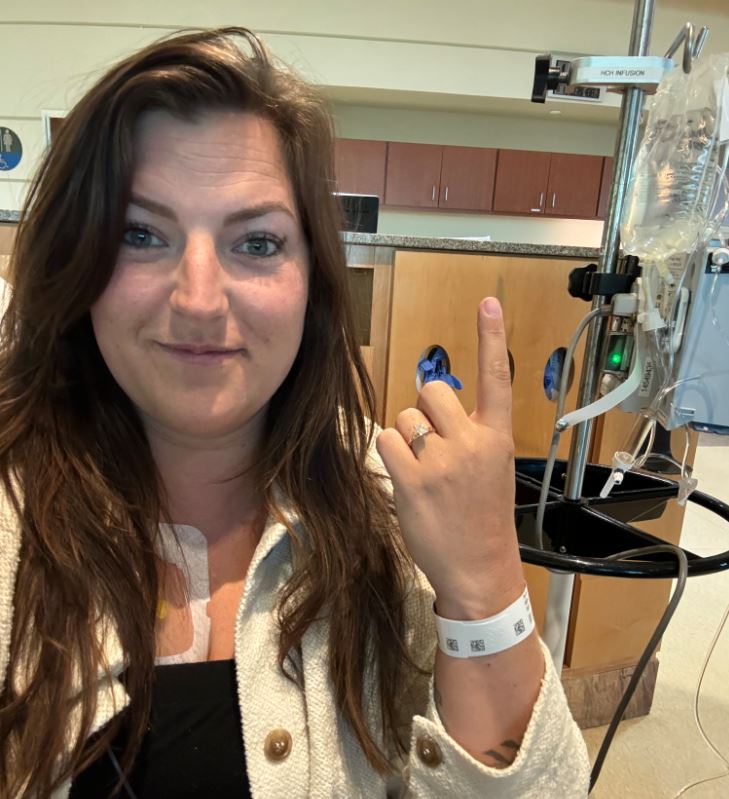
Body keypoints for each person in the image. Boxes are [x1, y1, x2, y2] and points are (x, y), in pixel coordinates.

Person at [0, 27, 590, 798]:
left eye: (256, 242)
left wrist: (485, 583)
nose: (200, 300)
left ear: (313, 278)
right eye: (140, 234)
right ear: (77, 262)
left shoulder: (387, 525)